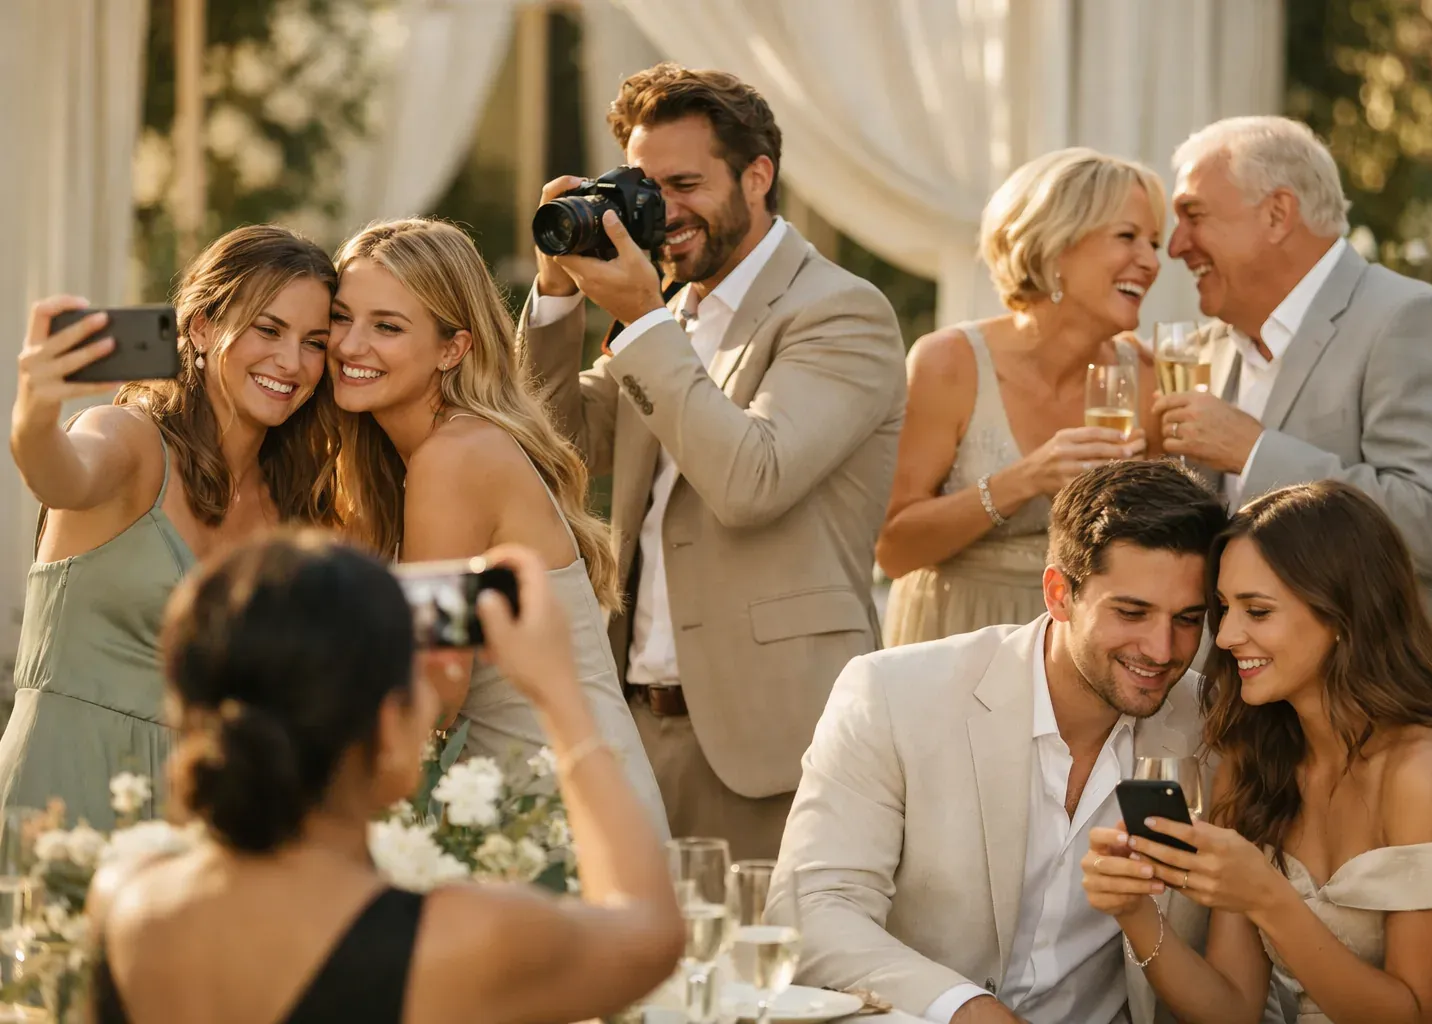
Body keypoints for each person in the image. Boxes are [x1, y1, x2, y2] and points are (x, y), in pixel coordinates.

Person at [521, 62, 906, 857]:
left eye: (685, 183)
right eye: (643, 184)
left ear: (757, 175)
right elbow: (555, 446)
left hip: (775, 742)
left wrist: (637, 316)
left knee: (771, 977)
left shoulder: (839, 310)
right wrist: (557, 293)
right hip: (634, 726)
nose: (661, 210)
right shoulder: (671, 316)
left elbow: (750, 480)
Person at [88, 533, 685, 1023]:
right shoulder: (457, 943)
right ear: (388, 728)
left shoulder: (126, 900)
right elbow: (649, 933)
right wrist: (560, 695)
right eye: (413, 685)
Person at [769, 460, 1285, 1024]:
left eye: (1187, 619)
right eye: (1131, 612)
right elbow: (815, 911)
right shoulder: (893, 695)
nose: (1162, 649)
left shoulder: (1218, 728)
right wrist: (966, 1008)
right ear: (1059, 593)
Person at [1083, 480, 1432, 1024]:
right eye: (1224, 608)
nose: (1224, 636)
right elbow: (1232, 1009)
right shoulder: (1254, 769)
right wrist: (1134, 912)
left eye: (1257, 610)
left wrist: (1267, 896)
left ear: (1342, 615)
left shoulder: (1425, 771)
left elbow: (1418, 1016)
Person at [1152, 115, 1432, 733]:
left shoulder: (1407, 319)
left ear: (1278, 213)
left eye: (1194, 215)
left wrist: (1255, 453)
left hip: (1386, 728)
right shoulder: (1208, 350)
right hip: (1255, 743)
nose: (1175, 245)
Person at [328, 218, 668, 838]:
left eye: (387, 326)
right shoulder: (409, 460)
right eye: (341, 317)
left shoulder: (453, 459)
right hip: (522, 798)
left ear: (453, 349)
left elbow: (436, 682)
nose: (350, 346)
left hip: (558, 814)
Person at [0, 225, 340, 826]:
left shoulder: (296, 504)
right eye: (267, 329)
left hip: (197, 830)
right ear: (203, 327)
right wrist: (35, 406)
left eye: (314, 341)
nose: (291, 362)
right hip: (59, 796)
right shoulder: (128, 437)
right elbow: (59, 477)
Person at [877, 148, 1162, 647]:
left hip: (1078, 647)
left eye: (1154, 242)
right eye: (1127, 237)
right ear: (1056, 250)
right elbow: (894, 549)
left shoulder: (1142, 373)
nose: (1151, 261)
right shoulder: (950, 362)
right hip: (955, 636)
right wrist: (1026, 478)